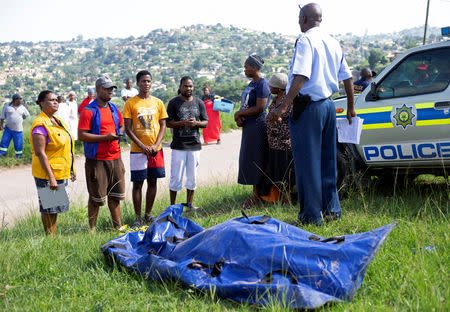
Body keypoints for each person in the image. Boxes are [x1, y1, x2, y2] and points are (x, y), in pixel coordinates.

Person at [268, 3, 356, 225]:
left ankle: (311, 216)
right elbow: (347, 77)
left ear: (304, 19)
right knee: (328, 161)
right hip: (328, 107)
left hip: (308, 108)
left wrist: (284, 106)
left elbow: (301, 76)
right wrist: (351, 108)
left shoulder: (306, 40)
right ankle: (331, 210)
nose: (298, 22)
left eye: (299, 18)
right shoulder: (333, 42)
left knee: (307, 164)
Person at [78, 75, 125, 232]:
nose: (110, 92)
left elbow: (122, 125)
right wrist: (105, 138)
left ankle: (117, 227)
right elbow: (82, 135)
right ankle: (92, 229)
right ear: (98, 89)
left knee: (115, 196)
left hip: (115, 158)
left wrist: (118, 133)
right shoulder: (88, 111)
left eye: (112, 89)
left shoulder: (113, 109)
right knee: (95, 197)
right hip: (97, 160)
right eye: (107, 89)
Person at [124, 70, 168, 226]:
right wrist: (141, 145)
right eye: (143, 81)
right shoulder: (131, 103)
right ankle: (137, 218)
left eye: (148, 81)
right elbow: (128, 129)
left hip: (156, 150)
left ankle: (148, 214)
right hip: (138, 151)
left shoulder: (158, 102)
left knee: (153, 182)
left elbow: (163, 124)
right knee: (138, 183)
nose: (146, 84)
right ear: (137, 83)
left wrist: (156, 145)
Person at [30, 90, 76, 236]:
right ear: (41, 103)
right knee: (48, 207)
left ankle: (52, 235)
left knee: (55, 207)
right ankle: (50, 237)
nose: (56, 102)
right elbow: (40, 153)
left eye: (57, 99)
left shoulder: (57, 120)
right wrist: (51, 177)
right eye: (51, 100)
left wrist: (71, 169)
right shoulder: (40, 124)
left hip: (60, 170)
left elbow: (66, 147)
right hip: (47, 173)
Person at [234, 55, 271, 208]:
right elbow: (247, 105)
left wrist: (240, 114)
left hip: (258, 126)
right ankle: (255, 194)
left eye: (247, 67)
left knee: (256, 160)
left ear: (255, 68)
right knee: (249, 160)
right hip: (249, 126)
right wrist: (240, 116)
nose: (245, 70)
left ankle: (257, 197)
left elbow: (260, 108)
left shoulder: (262, 85)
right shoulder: (252, 83)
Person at [166, 76, 208, 210]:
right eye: (185, 86)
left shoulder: (199, 102)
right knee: (176, 178)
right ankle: (172, 207)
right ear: (180, 86)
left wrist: (196, 123)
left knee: (192, 177)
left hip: (195, 145)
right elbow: (168, 123)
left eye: (190, 86)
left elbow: (205, 122)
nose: (188, 88)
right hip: (179, 146)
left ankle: (189, 205)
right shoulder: (173, 103)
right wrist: (182, 123)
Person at [264, 73, 295, 203]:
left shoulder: (287, 101)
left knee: (286, 173)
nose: (269, 88)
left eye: (272, 86)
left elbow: (283, 116)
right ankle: (280, 197)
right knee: (277, 172)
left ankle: (286, 199)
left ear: (279, 88)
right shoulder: (276, 99)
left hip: (284, 143)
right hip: (274, 143)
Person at [0, 94, 30, 158]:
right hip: (8, 129)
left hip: (18, 130)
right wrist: (1, 125)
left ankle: (19, 156)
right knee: (4, 142)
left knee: (18, 144)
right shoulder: (7, 106)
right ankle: (2, 154)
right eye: (20, 99)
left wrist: (20, 118)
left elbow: (26, 115)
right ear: (16, 99)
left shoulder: (22, 107)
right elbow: (2, 117)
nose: (21, 100)